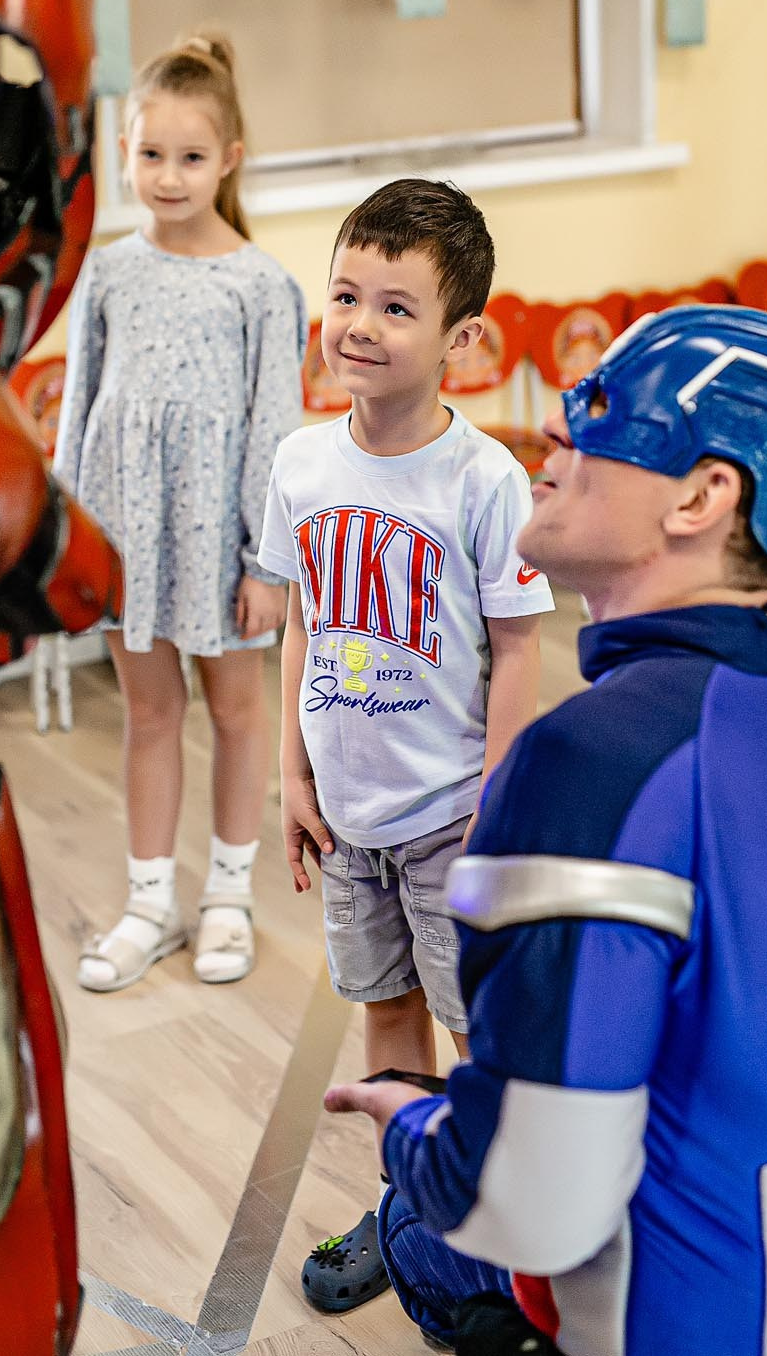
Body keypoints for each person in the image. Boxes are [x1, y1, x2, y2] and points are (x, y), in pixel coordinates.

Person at [326, 304, 767, 1356]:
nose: (550, 438)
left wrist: (413, 1130)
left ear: (705, 494)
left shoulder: (591, 759)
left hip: (688, 1326)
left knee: (427, 1219)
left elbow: (530, 1201)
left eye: (598, 416)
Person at [257, 178, 554, 1312]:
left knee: (474, 1024)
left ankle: (496, 1224)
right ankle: (407, 1210)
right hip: (346, 812)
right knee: (385, 1010)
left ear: (461, 337)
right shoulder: (301, 464)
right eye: (344, 295)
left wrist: (498, 794)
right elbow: (300, 622)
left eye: (394, 307)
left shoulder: (482, 479)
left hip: (448, 816)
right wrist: (291, 773)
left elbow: (519, 650)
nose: (358, 326)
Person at [54, 34, 307, 991]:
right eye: (149, 153)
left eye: (190, 156)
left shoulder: (260, 287)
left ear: (230, 160)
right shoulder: (110, 273)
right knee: (149, 714)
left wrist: (266, 563)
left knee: (238, 712)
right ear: (125, 152)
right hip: (127, 537)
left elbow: (273, 433)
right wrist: (72, 538)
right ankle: (151, 900)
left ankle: (229, 897)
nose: (168, 175)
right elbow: (78, 411)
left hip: (223, 543)